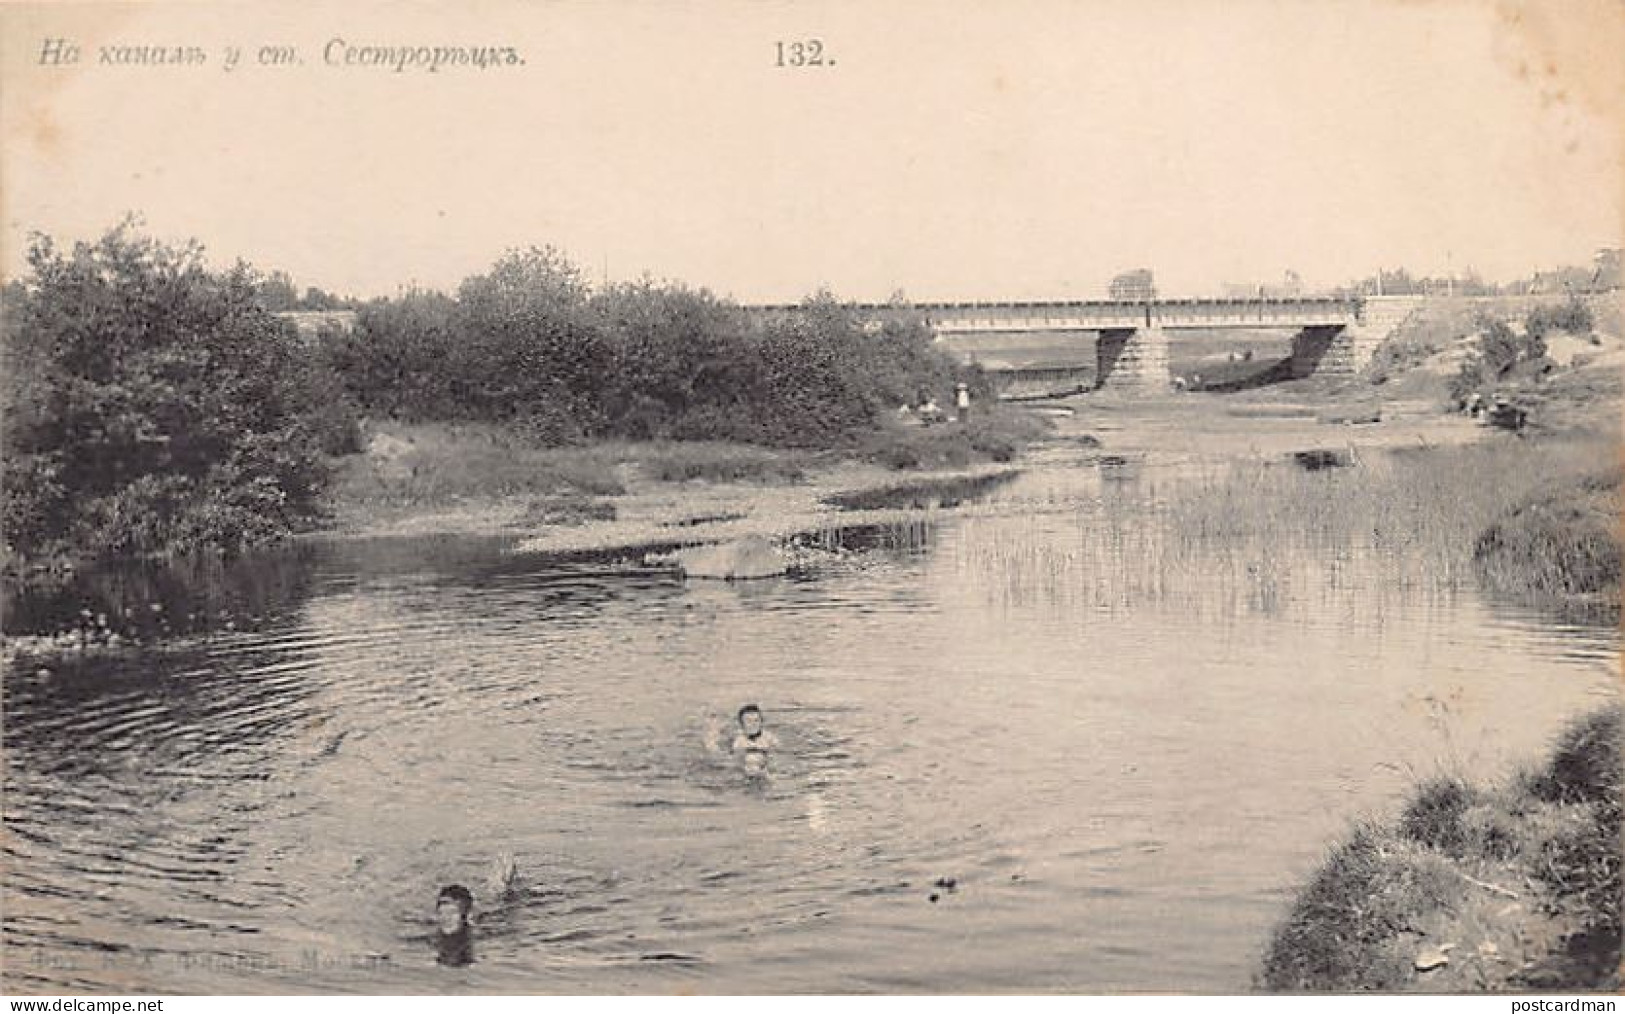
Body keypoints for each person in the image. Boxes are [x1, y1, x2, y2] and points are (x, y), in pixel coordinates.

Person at [434, 884, 475, 967]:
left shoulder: (474, 938)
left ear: (466, 916)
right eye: (441, 913)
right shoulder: (433, 937)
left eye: (452, 913)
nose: (446, 918)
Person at [731, 704, 777, 775]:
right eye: (749, 721)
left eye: (756, 720)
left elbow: (775, 756)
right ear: (742, 724)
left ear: (761, 722)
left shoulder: (769, 738)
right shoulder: (739, 741)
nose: (753, 724)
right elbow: (737, 762)